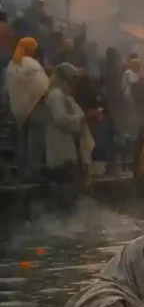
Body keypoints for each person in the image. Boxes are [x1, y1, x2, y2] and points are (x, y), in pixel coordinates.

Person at [43, 63, 94, 204]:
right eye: (73, 79)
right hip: (61, 151)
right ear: (65, 78)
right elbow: (61, 119)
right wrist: (85, 118)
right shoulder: (55, 96)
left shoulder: (68, 97)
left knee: (75, 192)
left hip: (73, 152)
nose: (75, 83)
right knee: (65, 194)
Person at [4, 38, 50, 182]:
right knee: (35, 142)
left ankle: (22, 174)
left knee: (22, 143)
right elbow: (43, 85)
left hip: (19, 110)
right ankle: (33, 174)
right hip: (36, 107)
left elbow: (8, 88)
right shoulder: (32, 64)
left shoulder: (11, 65)